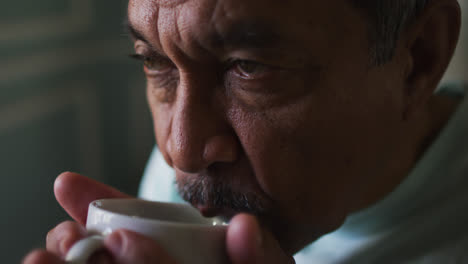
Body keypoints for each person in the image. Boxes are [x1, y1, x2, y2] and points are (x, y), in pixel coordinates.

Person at [23, 0, 467, 263]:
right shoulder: (171, 185)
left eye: (248, 67)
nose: (181, 152)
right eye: (155, 62)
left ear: (418, 60)